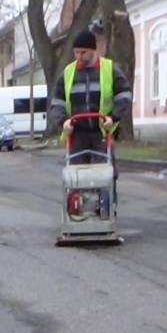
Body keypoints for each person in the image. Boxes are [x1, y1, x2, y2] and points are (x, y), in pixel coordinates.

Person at [50, 29, 133, 213]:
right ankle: (76, 210)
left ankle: (105, 208)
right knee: (76, 174)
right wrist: (63, 121)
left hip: (101, 131)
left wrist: (113, 117)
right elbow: (57, 101)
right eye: (76, 52)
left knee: (104, 173)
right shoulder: (68, 72)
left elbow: (124, 95)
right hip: (77, 133)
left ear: (93, 50)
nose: (79, 56)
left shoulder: (109, 69)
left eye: (83, 52)